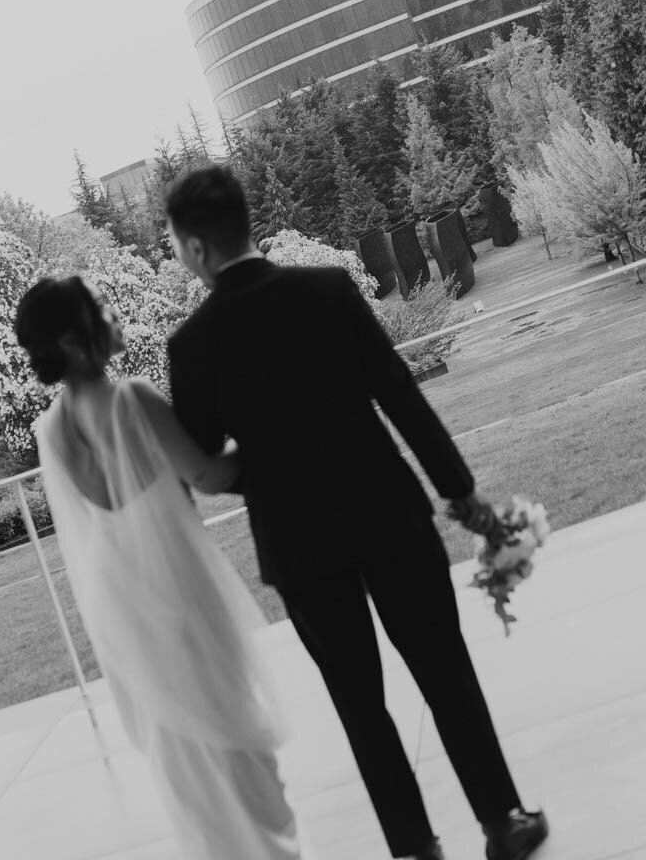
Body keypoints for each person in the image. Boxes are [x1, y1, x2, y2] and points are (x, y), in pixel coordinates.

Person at [165, 164, 548, 860]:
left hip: (298, 545)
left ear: (194, 248)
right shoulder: (328, 290)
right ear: (246, 221)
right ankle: (503, 823)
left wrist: (270, 467)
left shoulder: (191, 347)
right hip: (390, 514)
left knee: (359, 707)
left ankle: (415, 850)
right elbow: (398, 394)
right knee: (446, 674)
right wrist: (459, 492)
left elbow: (208, 463)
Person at [14, 275, 307, 860]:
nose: (113, 309)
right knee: (229, 719)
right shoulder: (131, 398)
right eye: (100, 306)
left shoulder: (49, 430)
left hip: (120, 602)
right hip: (177, 586)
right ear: (74, 340)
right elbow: (209, 475)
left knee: (183, 743)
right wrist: (277, 425)